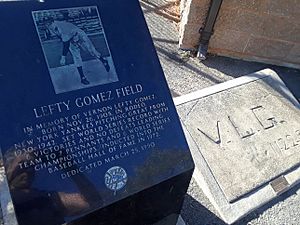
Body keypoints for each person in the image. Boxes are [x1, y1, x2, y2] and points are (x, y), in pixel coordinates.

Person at [47, 18, 110, 85]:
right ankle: (82, 78)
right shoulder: (52, 27)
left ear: (53, 22)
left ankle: (104, 61)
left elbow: (66, 44)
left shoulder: (62, 27)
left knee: (92, 51)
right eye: (47, 24)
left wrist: (63, 57)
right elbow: (63, 39)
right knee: (76, 57)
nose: (49, 25)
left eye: (50, 23)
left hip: (79, 35)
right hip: (70, 39)